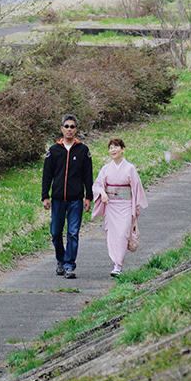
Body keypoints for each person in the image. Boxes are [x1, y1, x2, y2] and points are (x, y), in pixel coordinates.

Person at [41, 113, 93, 279]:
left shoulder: (83, 151)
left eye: (72, 127)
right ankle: (61, 260)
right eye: (66, 126)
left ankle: (70, 265)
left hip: (76, 199)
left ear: (76, 129)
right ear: (61, 128)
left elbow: (88, 175)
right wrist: (45, 196)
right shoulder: (54, 150)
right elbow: (47, 175)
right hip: (57, 199)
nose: (69, 129)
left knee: (72, 233)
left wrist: (88, 197)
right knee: (56, 232)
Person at [92, 136, 148, 276]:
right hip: (111, 205)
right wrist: (102, 193)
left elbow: (136, 188)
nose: (113, 150)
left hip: (125, 205)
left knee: (123, 233)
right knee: (111, 234)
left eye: (116, 147)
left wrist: (135, 207)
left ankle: (118, 264)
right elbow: (97, 185)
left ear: (123, 149)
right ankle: (115, 262)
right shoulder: (106, 168)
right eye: (111, 148)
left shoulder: (129, 168)